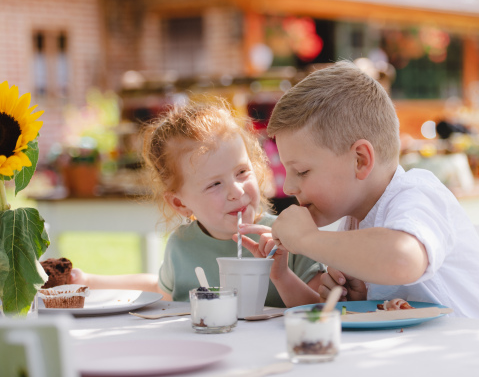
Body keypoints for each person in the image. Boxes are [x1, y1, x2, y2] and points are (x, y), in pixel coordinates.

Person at [243, 60, 479, 319]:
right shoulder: (353, 221)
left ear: (360, 160)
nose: (289, 186)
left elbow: (402, 260)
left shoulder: (418, 194)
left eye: (302, 171)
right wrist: (283, 277)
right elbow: (332, 319)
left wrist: (307, 240)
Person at [72, 99, 323, 307]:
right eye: (215, 184)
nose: (236, 191)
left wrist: (282, 276)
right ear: (181, 204)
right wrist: (89, 281)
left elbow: (324, 309)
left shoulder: (290, 239)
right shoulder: (182, 246)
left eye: (242, 172)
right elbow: (160, 289)